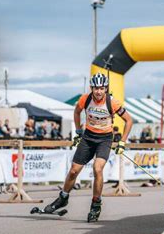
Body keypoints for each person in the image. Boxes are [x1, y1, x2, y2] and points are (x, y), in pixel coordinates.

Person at [44, 72, 133, 222]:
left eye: (101, 88)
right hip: (88, 137)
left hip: (104, 139)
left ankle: (95, 205)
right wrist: (78, 131)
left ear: (106, 88)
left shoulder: (113, 102)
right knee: (73, 171)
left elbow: (129, 121)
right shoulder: (85, 99)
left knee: (97, 169)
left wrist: (122, 142)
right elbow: (77, 111)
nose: (98, 91)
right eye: (96, 88)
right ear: (91, 88)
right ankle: (63, 198)